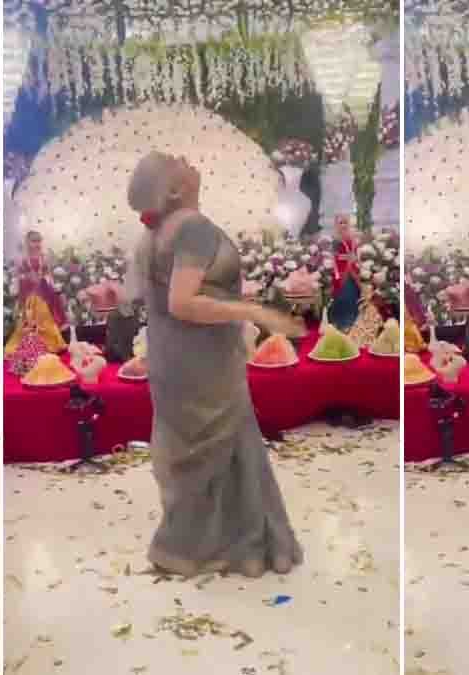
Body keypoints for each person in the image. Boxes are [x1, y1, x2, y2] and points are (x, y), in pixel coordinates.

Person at [127, 151, 304, 577]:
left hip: (172, 358)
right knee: (224, 443)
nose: (189, 159)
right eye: (177, 161)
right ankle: (236, 545)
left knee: (196, 446)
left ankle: (190, 545)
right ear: (175, 188)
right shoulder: (194, 229)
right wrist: (253, 312)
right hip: (203, 359)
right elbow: (183, 302)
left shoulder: (155, 234)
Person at [4, 230, 68, 354]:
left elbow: (48, 273)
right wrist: (27, 279)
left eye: (39, 241)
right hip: (29, 292)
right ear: (27, 242)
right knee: (32, 317)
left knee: (46, 317)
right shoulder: (21, 258)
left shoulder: (44, 256)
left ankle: (49, 345)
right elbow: (18, 276)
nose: (37, 244)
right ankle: (32, 346)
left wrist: (52, 285)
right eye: (34, 241)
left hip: (44, 290)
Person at [330, 215, 361, 330]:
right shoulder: (335, 239)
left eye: (345, 222)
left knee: (352, 295)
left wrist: (355, 261)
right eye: (341, 223)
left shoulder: (353, 239)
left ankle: (352, 322)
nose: (343, 225)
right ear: (337, 224)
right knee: (342, 296)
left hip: (353, 270)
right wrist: (338, 269)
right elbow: (334, 257)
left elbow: (357, 254)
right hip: (340, 270)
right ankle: (340, 322)